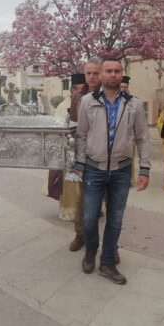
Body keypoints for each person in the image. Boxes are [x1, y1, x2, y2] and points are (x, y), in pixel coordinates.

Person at [75, 59, 151, 284]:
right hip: (93, 169)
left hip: (121, 170)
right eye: (108, 71)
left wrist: (145, 169)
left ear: (122, 74)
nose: (113, 74)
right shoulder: (87, 101)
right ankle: (91, 249)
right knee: (89, 217)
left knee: (115, 219)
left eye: (117, 71)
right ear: (101, 74)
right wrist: (80, 164)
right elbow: (81, 135)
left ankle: (107, 261)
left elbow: (143, 137)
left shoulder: (133, 104)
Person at [68, 58, 102, 252]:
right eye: (89, 73)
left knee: (109, 202)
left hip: (106, 155)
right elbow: (75, 127)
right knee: (83, 199)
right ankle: (80, 234)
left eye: (96, 73)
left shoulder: (110, 94)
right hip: (85, 155)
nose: (92, 77)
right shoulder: (78, 97)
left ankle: (111, 244)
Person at [51, 73, 85, 221]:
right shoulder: (62, 106)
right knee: (70, 185)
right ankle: (70, 212)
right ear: (72, 90)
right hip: (68, 154)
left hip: (86, 153)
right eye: (82, 89)